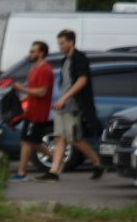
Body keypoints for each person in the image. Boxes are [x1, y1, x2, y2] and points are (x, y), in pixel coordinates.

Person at [44, 28, 104, 182]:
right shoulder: (65, 60)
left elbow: (82, 80)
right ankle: (53, 172)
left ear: (71, 42)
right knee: (60, 138)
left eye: (63, 43)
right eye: (59, 43)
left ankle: (97, 162)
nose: (60, 46)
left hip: (74, 105)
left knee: (74, 139)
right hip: (62, 105)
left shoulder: (79, 58)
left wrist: (65, 98)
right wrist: (60, 99)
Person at [11, 40, 54, 182]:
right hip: (31, 111)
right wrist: (21, 101)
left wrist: (22, 89)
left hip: (38, 113)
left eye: (33, 51)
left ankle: (21, 173)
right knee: (34, 141)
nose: (30, 54)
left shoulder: (45, 70)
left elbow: (42, 92)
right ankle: (57, 161)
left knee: (26, 141)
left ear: (41, 53)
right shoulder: (34, 68)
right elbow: (32, 91)